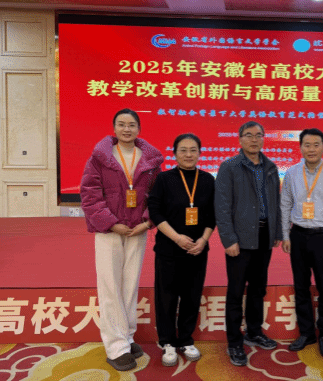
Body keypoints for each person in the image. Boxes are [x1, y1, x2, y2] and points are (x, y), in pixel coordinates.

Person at [80, 108, 163, 371]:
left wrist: (147, 222)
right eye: (121, 124)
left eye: (131, 125)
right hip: (110, 231)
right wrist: (110, 223)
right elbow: (90, 193)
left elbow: (157, 195)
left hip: (137, 230)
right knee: (110, 286)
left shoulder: (150, 159)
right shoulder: (100, 157)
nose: (127, 129)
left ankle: (126, 336)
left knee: (130, 284)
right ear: (114, 128)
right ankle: (115, 347)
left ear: (139, 129)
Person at [214, 121, 283, 366]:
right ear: (240, 139)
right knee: (236, 292)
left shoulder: (271, 167)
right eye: (249, 135)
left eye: (258, 135)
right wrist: (229, 239)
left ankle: (254, 332)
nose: (254, 139)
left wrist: (278, 231)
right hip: (239, 239)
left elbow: (276, 203)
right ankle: (234, 342)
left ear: (264, 138)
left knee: (258, 288)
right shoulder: (229, 167)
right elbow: (222, 207)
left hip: (264, 236)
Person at [147, 133, 215, 366]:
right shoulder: (164, 179)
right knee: (166, 296)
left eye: (193, 150)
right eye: (183, 150)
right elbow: (155, 211)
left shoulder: (207, 180)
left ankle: (186, 339)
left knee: (191, 295)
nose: (188, 154)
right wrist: (177, 238)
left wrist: (203, 240)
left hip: (197, 249)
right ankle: (167, 341)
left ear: (199, 153)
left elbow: (212, 214)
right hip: (169, 248)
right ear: (175, 153)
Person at [281, 128, 323, 358]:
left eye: (316, 144)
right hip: (298, 235)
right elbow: (285, 204)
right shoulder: (291, 173)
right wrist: (286, 235)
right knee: (301, 286)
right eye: (307, 145)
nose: (311, 149)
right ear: (300, 147)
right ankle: (307, 333)